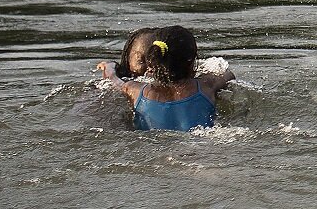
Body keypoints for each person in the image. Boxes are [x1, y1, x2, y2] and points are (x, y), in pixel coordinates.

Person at [97, 24, 233, 131]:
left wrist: (109, 66)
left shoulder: (135, 90)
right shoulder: (206, 85)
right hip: (203, 148)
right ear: (191, 61)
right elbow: (229, 75)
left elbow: (112, 80)